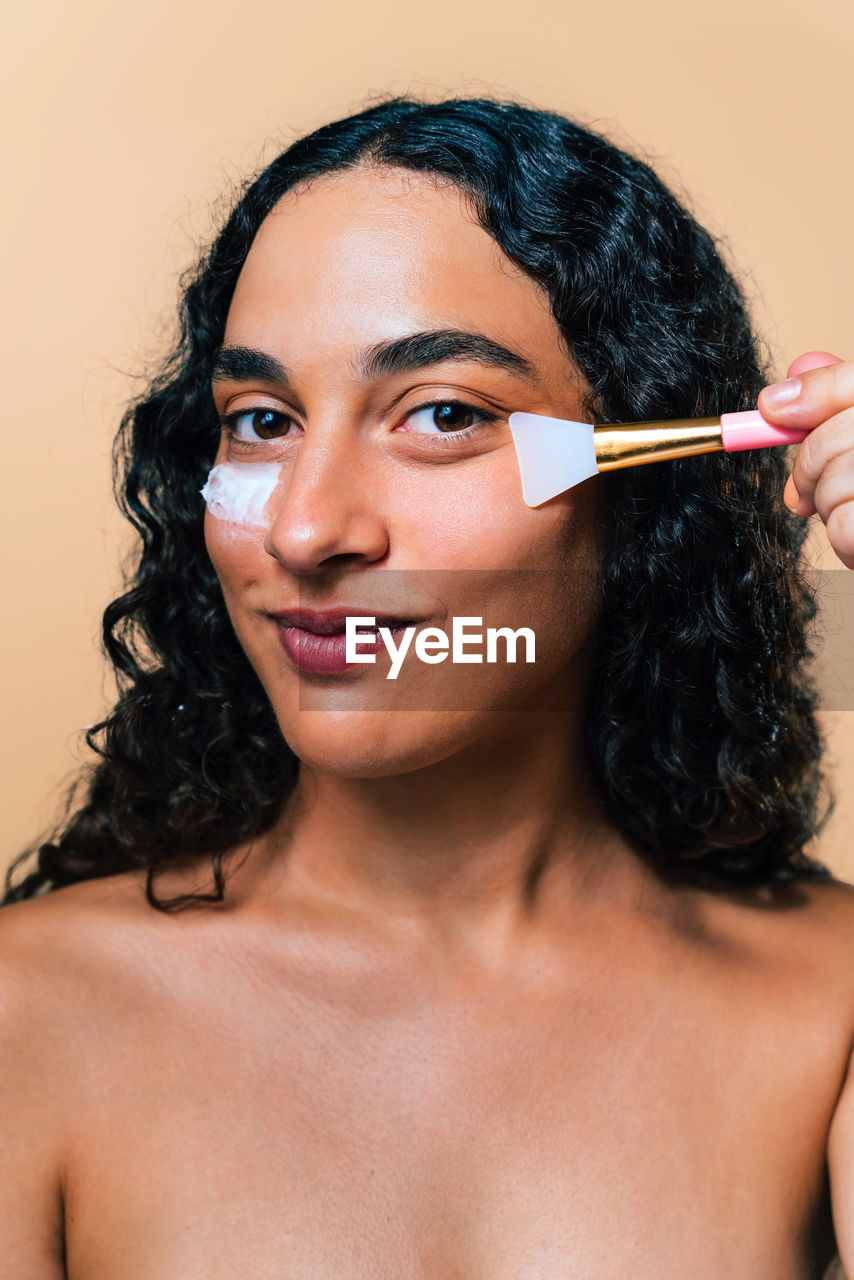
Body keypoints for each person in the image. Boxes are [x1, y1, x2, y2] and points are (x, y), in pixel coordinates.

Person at [2, 95, 853, 1277]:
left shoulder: (827, 1006)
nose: (305, 528)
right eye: (261, 420)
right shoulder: (24, 1020)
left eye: (441, 413)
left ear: (643, 494)